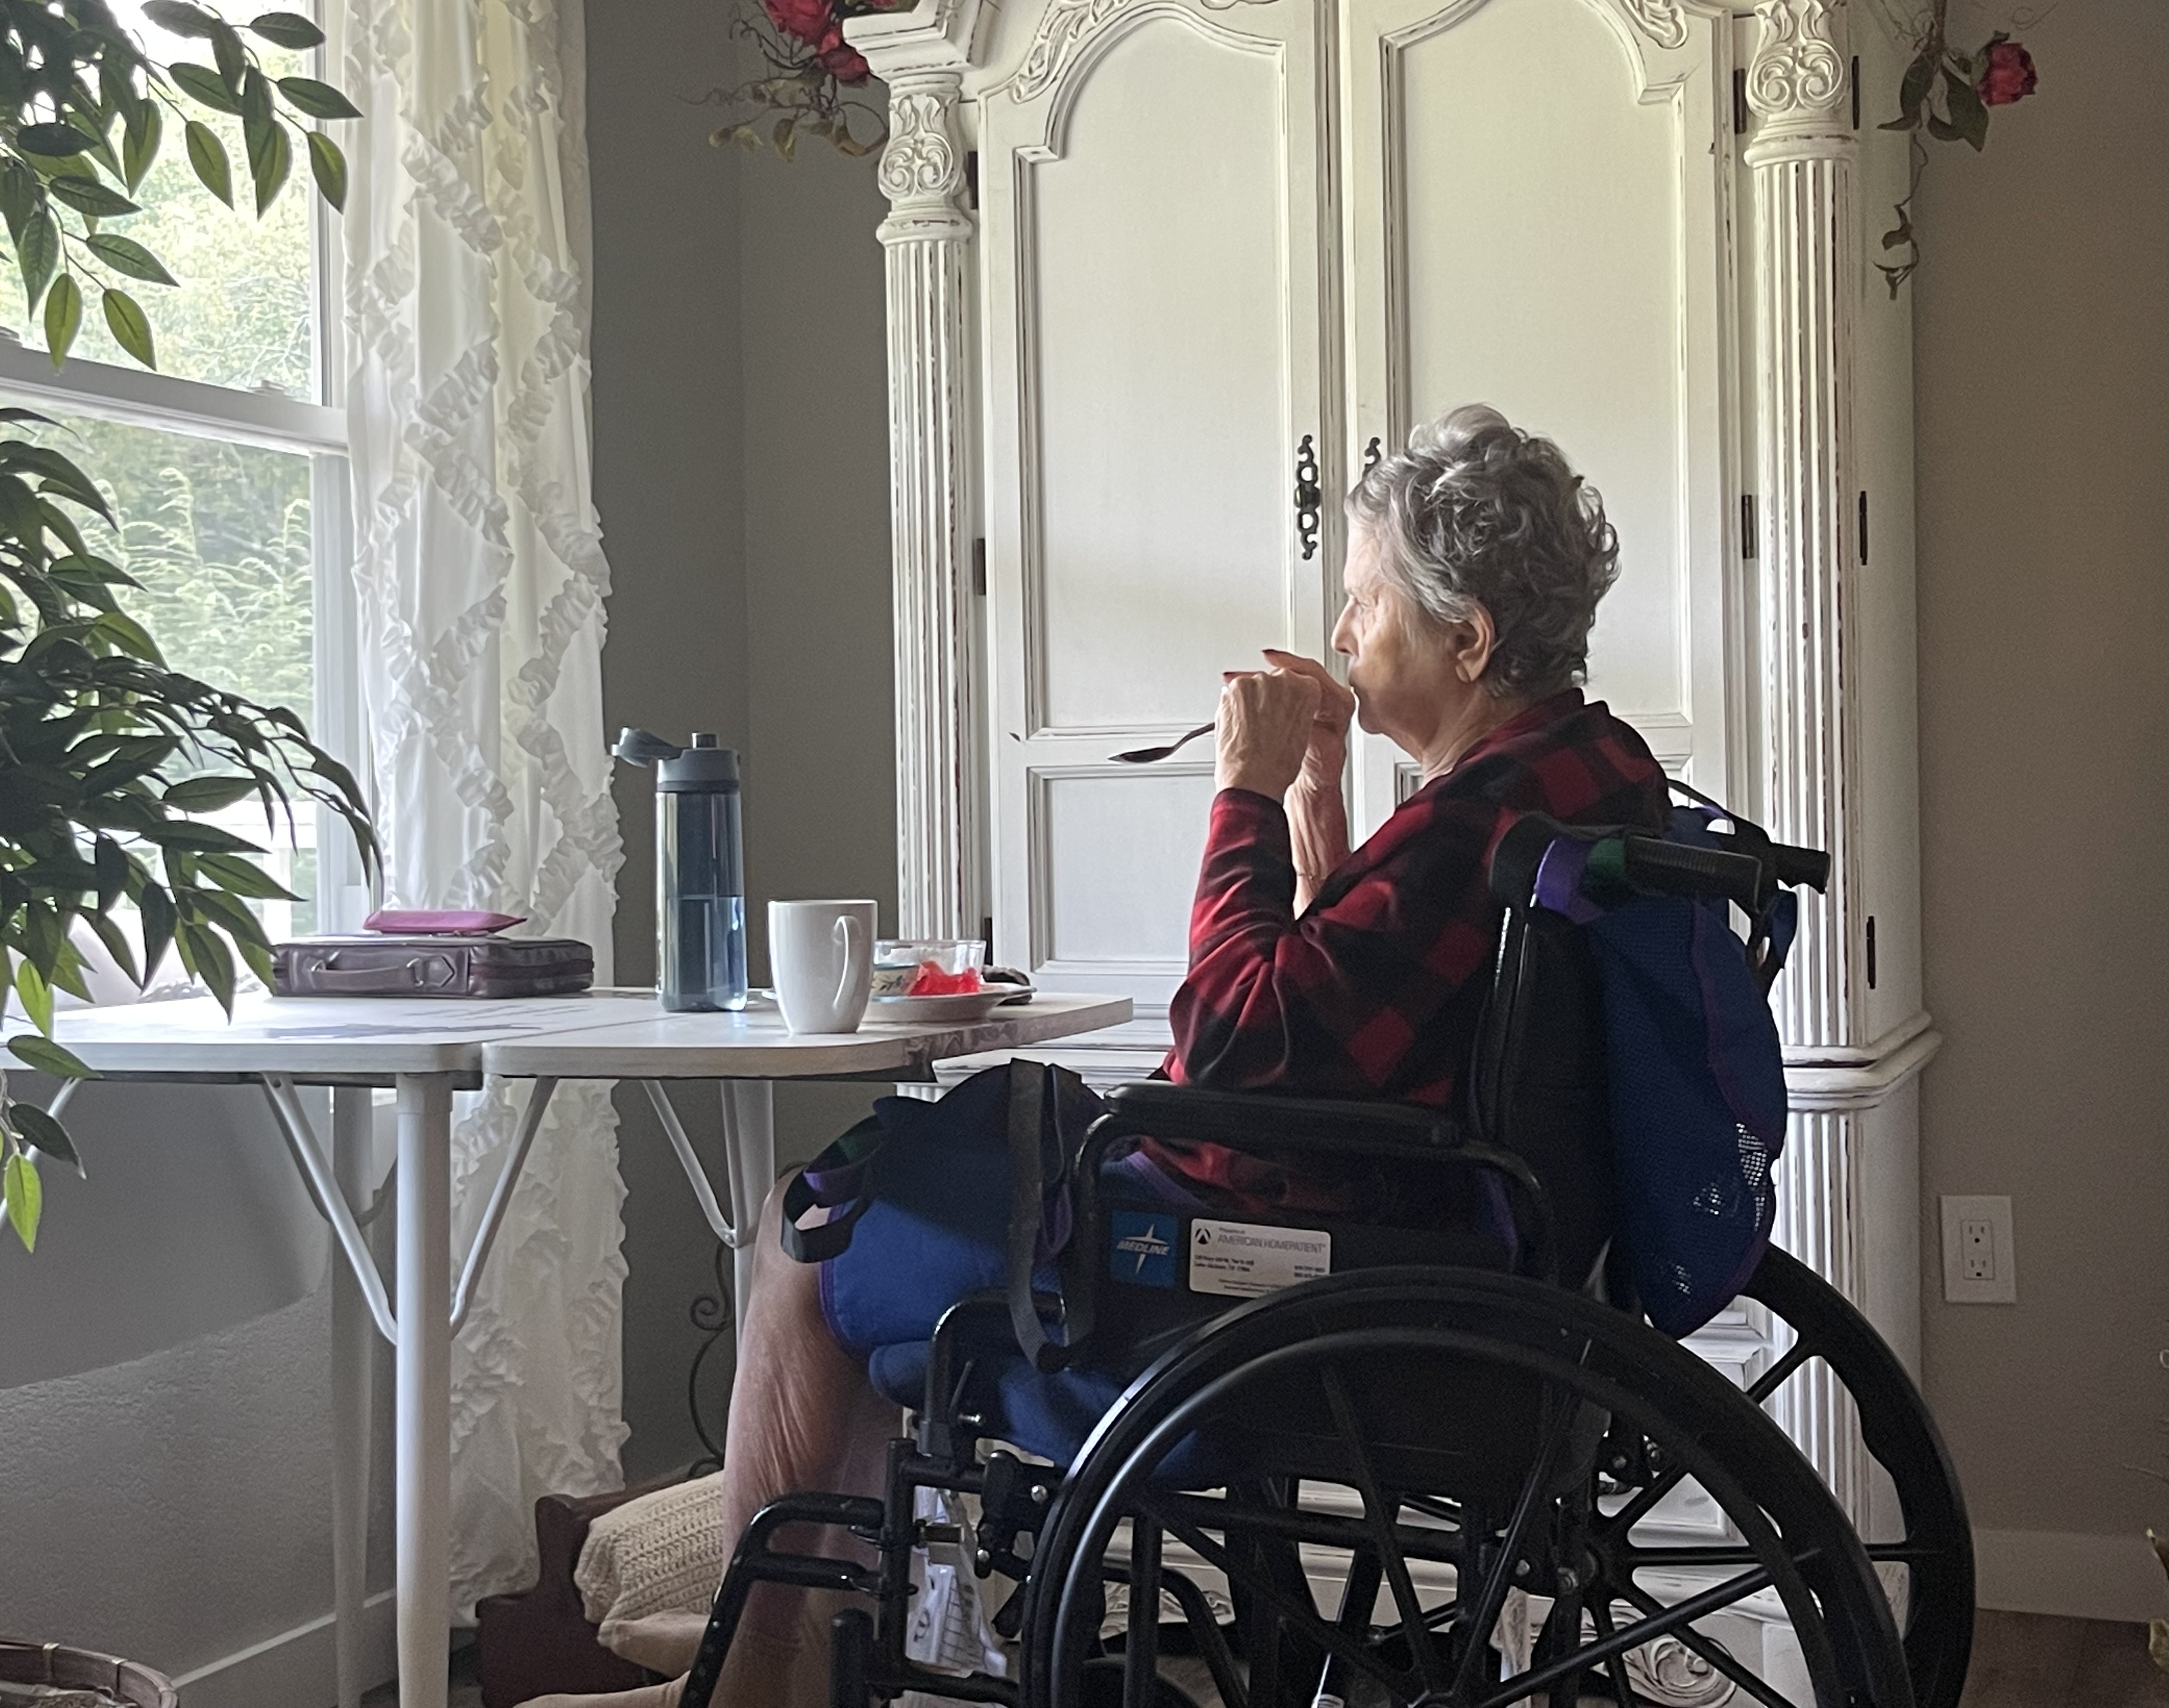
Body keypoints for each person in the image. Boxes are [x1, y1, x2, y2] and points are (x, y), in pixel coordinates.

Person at [521, 406, 1670, 1708]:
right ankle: (790, 1640)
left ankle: (752, 1673)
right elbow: (1360, 1015)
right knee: (911, 1216)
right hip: (1434, 1240)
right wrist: (1317, 807)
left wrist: (1241, 792)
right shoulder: (1576, 779)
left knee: (814, 1225)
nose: (1344, 633)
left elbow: (1231, 1044)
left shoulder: (1480, 825)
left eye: (1366, 601)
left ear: (1468, 639)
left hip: (1277, 1267)